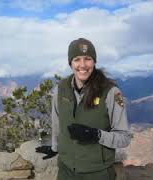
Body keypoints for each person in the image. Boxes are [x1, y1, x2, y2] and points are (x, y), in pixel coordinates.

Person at [35, 38, 132, 180]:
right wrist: (55, 148)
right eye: (77, 59)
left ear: (94, 62)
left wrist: (96, 134)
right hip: (66, 169)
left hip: (98, 171)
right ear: (70, 63)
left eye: (88, 59)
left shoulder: (111, 92)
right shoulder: (61, 88)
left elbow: (124, 138)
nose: (82, 65)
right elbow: (57, 123)